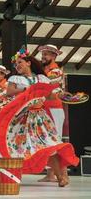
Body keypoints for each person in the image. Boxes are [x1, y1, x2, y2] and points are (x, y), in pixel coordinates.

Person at [0, 47, 79, 187]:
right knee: (18, 148)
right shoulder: (15, 78)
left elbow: (49, 95)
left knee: (51, 146)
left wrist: (60, 94)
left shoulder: (41, 78)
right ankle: (13, 177)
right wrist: (27, 90)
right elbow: (9, 91)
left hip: (40, 118)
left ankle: (61, 177)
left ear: (28, 63)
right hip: (22, 118)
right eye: (15, 64)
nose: (17, 65)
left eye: (20, 62)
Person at [37, 44, 67, 182]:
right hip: (46, 109)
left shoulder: (55, 71)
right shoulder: (44, 69)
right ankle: (51, 174)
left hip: (54, 109)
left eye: (47, 54)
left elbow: (45, 87)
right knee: (47, 141)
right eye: (43, 54)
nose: (43, 56)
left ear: (54, 56)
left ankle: (63, 174)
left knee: (56, 141)